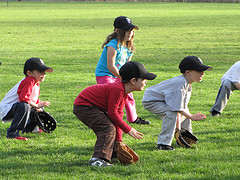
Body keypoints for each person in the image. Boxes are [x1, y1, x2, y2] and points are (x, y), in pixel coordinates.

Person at [73, 61, 157, 167]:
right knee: (106, 128)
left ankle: (111, 153)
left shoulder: (124, 93)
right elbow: (112, 114)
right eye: (143, 79)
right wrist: (128, 129)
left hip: (93, 107)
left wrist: (119, 141)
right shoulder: (117, 90)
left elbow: (118, 115)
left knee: (110, 126)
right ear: (133, 81)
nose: (146, 82)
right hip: (84, 106)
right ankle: (97, 160)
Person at [142, 56, 212, 150]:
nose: (203, 73)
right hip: (151, 100)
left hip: (162, 100)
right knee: (171, 114)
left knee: (185, 112)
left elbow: (182, 107)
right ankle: (163, 143)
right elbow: (176, 108)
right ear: (188, 72)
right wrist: (190, 117)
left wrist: (187, 117)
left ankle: (185, 135)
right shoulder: (180, 84)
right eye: (199, 71)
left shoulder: (187, 84)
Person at [95, 16, 150, 125]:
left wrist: (129, 79)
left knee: (129, 94)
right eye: (127, 30)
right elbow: (110, 66)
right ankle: (103, 117)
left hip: (120, 75)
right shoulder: (112, 46)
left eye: (131, 30)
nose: (130, 33)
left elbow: (128, 66)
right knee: (111, 95)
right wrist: (123, 78)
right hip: (105, 75)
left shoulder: (129, 47)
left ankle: (133, 118)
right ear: (118, 31)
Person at [0, 57, 53, 141]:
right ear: (29, 72)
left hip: (15, 107)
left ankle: (30, 129)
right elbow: (24, 99)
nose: (43, 74)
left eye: (44, 72)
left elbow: (33, 99)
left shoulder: (35, 82)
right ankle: (12, 133)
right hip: (6, 109)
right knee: (25, 106)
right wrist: (36, 105)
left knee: (37, 105)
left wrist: (38, 106)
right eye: (40, 72)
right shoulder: (29, 80)